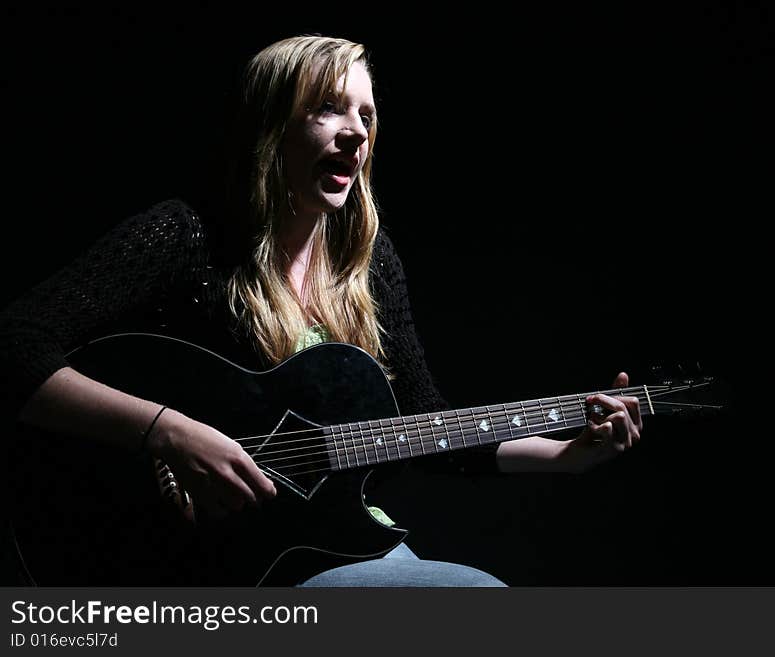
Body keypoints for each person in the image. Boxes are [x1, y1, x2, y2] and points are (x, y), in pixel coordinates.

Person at [0, 35, 642, 586]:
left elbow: (423, 428)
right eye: (328, 109)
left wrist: (566, 456)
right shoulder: (183, 236)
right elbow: (13, 345)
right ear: (271, 124)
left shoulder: (369, 263)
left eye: (366, 115)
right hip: (207, 565)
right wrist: (169, 432)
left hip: (338, 546)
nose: (357, 131)